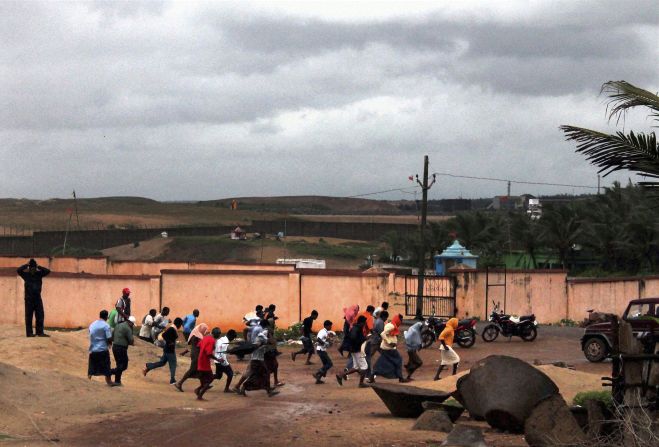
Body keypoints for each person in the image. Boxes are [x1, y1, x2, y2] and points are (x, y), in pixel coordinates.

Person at [143, 317, 184, 384]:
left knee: (162, 363)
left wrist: (170, 342)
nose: (180, 326)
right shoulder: (172, 329)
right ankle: (172, 380)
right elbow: (164, 335)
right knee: (173, 364)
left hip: (167, 349)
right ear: (178, 324)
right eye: (180, 324)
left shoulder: (173, 328)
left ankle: (148, 367)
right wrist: (170, 342)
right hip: (169, 350)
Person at [17, 259, 51, 337]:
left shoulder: (39, 274)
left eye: (34, 268)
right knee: (29, 316)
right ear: (29, 268)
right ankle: (29, 333)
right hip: (29, 299)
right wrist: (26, 265)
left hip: (37, 298)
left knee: (40, 315)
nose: (33, 270)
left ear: (36, 268)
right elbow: (18, 270)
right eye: (31, 268)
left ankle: (40, 332)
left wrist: (39, 266)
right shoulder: (26, 275)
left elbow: (48, 271)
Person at [373, 314, 410, 383]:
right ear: (397, 320)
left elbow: (388, 335)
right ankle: (400, 378)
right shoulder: (392, 326)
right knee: (398, 360)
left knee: (383, 361)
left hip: (387, 348)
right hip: (389, 348)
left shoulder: (391, 324)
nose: (401, 322)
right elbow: (382, 334)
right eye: (400, 320)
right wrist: (390, 342)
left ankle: (372, 375)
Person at [336, 315, 369, 388]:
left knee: (356, 367)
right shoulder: (357, 328)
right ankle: (361, 383)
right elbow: (354, 338)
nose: (365, 324)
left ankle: (341, 375)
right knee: (364, 367)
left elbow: (354, 337)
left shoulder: (356, 327)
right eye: (364, 322)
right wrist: (364, 339)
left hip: (354, 350)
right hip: (357, 350)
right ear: (362, 322)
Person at [87, 310, 118, 387]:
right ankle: (109, 381)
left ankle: (88, 378)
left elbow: (90, 333)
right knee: (107, 365)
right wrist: (110, 343)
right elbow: (109, 337)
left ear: (99, 316)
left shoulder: (92, 324)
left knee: (92, 364)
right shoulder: (106, 326)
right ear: (107, 317)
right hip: (102, 349)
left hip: (93, 349)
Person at [175, 323, 208, 392]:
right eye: (204, 330)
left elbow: (192, 346)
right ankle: (180, 383)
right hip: (196, 355)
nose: (205, 331)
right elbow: (201, 346)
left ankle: (203, 385)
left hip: (195, 353)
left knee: (200, 371)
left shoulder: (195, 335)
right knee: (192, 370)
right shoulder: (198, 336)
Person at [195, 327, 220, 400]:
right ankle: (200, 395)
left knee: (203, 378)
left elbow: (198, 346)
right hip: (205, 362)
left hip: (200, 359)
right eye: (218, 334)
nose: (219, 336)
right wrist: (216, 358)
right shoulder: (212, 340)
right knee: (210, 378)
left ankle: (198, 390)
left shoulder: (206, 337)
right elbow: (209, 353)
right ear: (216, 334)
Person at [110, 315, 135, 385]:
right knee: (124, 365)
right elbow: (131, 340)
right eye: (132, 324)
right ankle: (110, 372)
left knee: (119, 364)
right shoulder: (128, 328)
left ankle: (117, 381)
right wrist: (131, 343)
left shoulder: (118, 325)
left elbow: (112, 335)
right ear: (130, 322)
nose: (132, 325)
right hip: (121, 348)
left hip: (114, 347)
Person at [367, 310, 388, 382]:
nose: (386, 319)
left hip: (376, 341)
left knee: (384, 354)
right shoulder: (380, 322)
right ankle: (367, 371)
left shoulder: (377, 320)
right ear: (384, 317)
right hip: (376, 342)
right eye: (386, 318)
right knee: (369, 356)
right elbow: (381, 333)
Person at [213, 328, 236, 393]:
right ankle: (226, 389)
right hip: (221, 361)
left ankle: (206, 381)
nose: (232, 340)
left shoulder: (222, 339)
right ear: (231, 336)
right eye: (233, 338)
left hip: (217, 361)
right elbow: (221, 352)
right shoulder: (225, 342)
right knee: (230, 374)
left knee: (218, 376)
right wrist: (224, 362)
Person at [313, 320, 335, 384]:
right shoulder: (323, 331)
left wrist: (328, 343)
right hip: (320, 350)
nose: (331, 327)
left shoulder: (325, 332)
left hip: (322, 350)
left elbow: (323, 339)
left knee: (325, 365)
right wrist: (324, 344)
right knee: (329, 364)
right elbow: (318, 339)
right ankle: (317, 373)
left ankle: (318, 379)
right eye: (330, 326)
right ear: (326, 326)